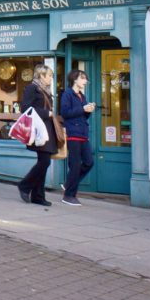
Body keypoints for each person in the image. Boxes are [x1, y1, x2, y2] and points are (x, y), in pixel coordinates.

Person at [16, 64, 58, 206]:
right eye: (50, 75)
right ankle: (24, 185)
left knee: (44, 162)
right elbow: (26, 108)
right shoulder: (32, 88)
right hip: (39, 130)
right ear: (41, 76)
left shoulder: (45, 90)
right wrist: (47, 113)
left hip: (47, 129)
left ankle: (38, 196)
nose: (52, 78)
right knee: (44, 162)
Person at [59, 69, 95, 206]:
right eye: (83, 78)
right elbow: (65, 113)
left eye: (86, 79)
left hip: (83, 133)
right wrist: (83, 109)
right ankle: (68, 196)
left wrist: (88, 111)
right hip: (73, 133)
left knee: (89, 162)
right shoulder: (67, 94)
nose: (85, 81)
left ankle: (69, 183)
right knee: (74, 166)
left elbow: (83, 115)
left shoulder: (82, 96)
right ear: (75, 79)